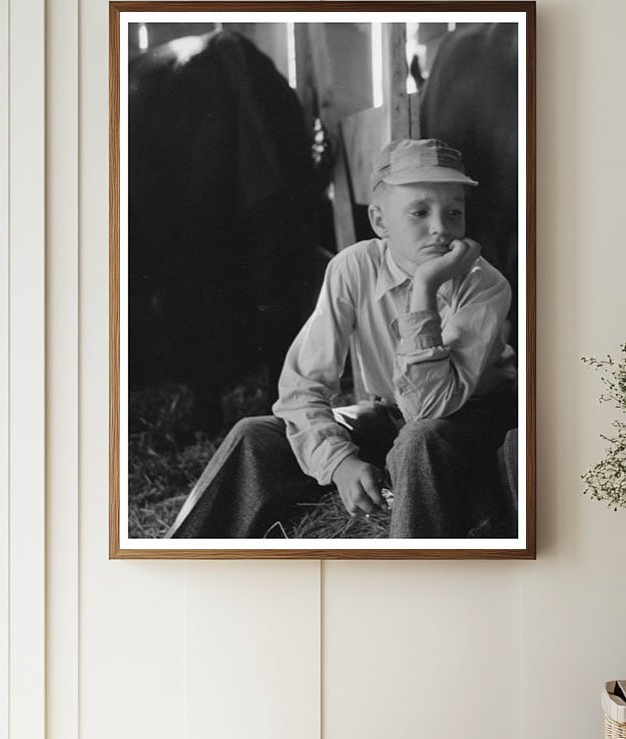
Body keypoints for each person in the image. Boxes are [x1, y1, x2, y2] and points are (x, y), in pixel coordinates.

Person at [167, 138, 517, 539]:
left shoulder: (484, 284)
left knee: (418, 441)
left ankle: (413, 582)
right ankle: (185, 568)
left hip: (474, 421)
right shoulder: (352, 268)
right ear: (380, 222)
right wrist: (340, 463)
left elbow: (431, 407)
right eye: (419, 212)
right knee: (255, 435)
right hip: (392, 416)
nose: (440, 227)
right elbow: (301, 387)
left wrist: (424, 288)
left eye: (454, 212)